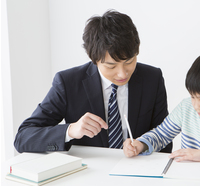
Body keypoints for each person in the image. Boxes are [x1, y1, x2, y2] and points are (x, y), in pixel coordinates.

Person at [14, 10, 172, 153]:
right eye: (111, 66)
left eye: (129, 61)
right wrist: (70, 130)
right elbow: (23, 138)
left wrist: (144, 146)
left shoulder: (152, 78)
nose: (122, 73)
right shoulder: (68, 83)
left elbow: (165, 140)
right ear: (94, 59)